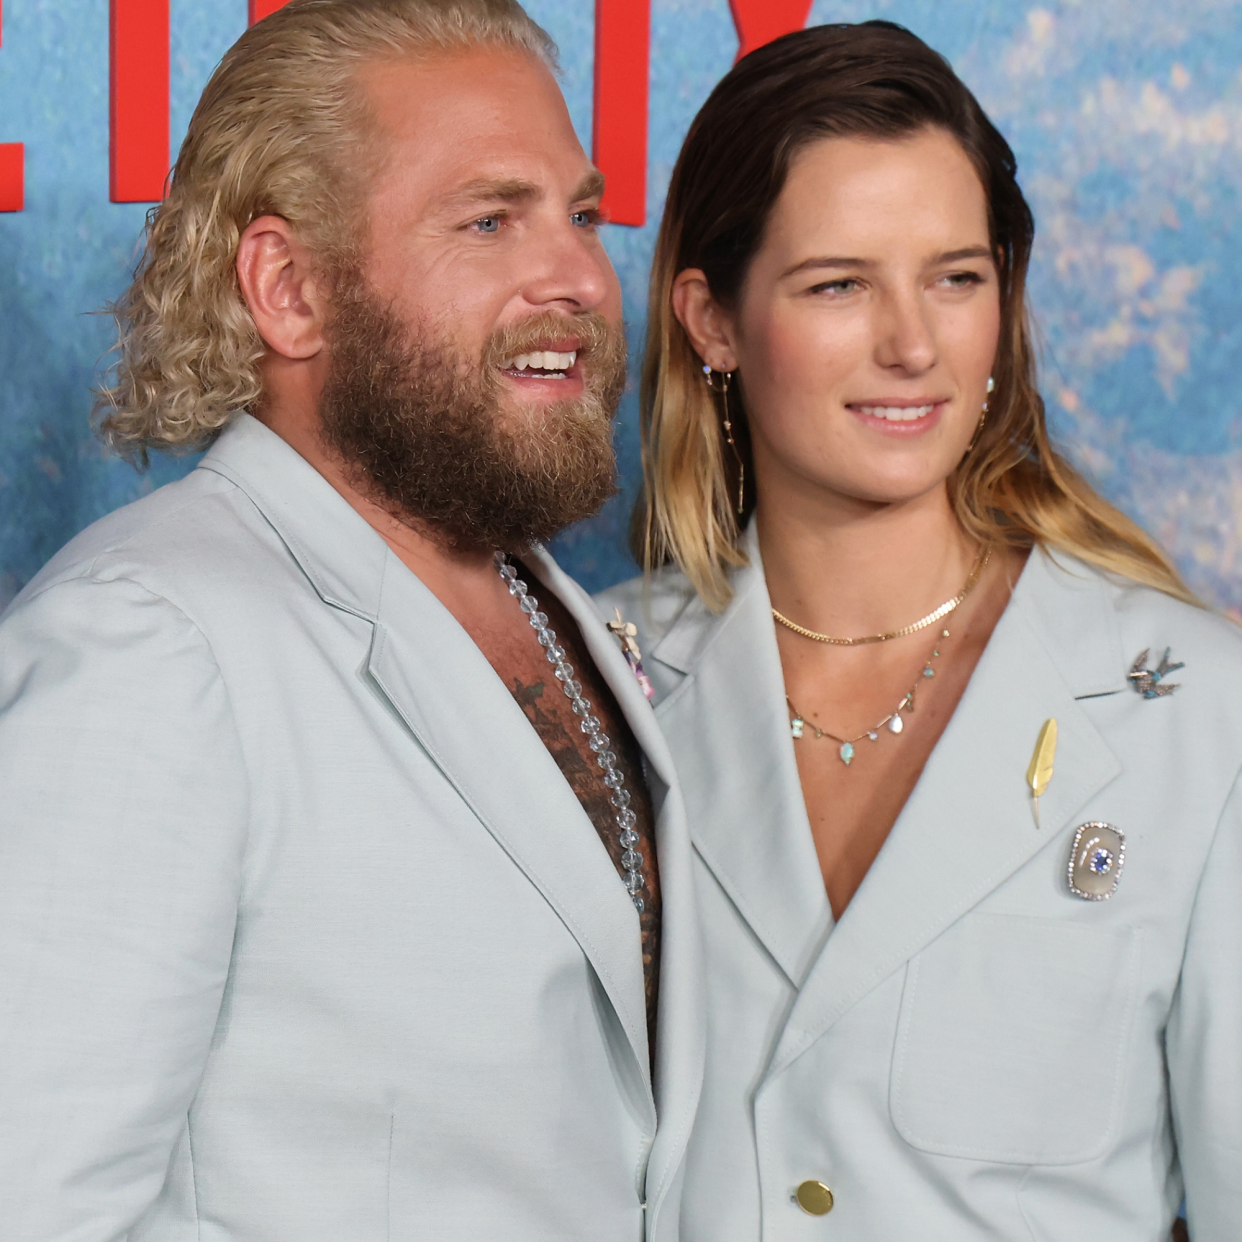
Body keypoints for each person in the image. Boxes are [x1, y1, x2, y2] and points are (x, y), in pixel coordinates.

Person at [0, 2, 705, 1237]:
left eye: (582, 216)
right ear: (287, 287)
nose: (582, 280)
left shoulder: (563, 610)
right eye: (491, 220)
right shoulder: (151, 650)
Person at [599, 21, 1237, 1242]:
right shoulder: (594, 686)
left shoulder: (1200, 717)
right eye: (840, 284)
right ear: (712, 321)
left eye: (956, 275)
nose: (912, 342)